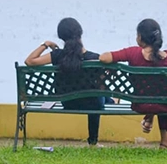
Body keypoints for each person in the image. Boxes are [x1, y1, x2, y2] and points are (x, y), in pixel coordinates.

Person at [99, 18, 167, 149]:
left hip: (140, 104)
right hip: (166, 105)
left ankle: (150, 119)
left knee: (153, 97)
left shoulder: (133, 53)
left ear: (140, 38)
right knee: (162, 97)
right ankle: (164, 140)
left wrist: (112, 65)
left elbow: (103, 57)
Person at [24, 17, 106, 146]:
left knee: (97, 96)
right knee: (99, 96)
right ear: (80, 33)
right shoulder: (94, 58)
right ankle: (93, 142)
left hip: (68, 103)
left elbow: (29, 61)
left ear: (61, 37)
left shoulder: (57, 55)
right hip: (92, 105)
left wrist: (45, 44)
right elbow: (102, 86)